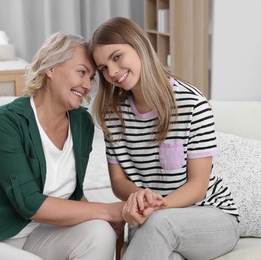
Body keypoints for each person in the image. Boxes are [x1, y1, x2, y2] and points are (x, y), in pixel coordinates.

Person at [0, 32, 126, 260]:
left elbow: (72, 194)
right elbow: (30, 204)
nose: (87, 85)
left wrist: (101, 218)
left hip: (36, 234)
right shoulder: (7, 121)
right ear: (51, 68)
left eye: (92, 78)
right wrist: (109, 210)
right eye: (81, 72)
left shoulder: (81, 123)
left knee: (100, 232)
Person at [88, 17, 240, 260]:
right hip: (151, 222)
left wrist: (154, 208)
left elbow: (198, 186)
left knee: (162, 224)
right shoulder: (112, 114)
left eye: (117, 57)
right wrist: (139, 197)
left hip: (210, 216)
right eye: (103, 68)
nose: (113, 73)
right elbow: (118, 181)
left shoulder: (192, 103)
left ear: (139, 46)